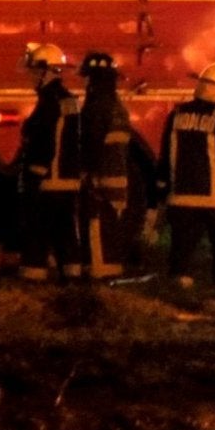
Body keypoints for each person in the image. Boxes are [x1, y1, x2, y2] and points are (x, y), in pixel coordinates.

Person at [158, 62, 215, 304]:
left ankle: (179, 291)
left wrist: (162, 189)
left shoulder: (176, 115)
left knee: (182, 248)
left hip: (182, 197)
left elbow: (165, 154)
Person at [16, 43, 85, 283]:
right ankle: (72, 279)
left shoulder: (49, 102)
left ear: (47, 72)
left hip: (48, 181)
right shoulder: (70, 100)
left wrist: (34, 176)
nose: (32, 76)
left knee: (38, 232)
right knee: (66, 233)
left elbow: (44, 142)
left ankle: (33, 280)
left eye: (36, 71)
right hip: (68, 180)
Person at [78, 50, 134, 282]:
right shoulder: (116, 106)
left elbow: (92, 141)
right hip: (118, 176)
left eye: (89, 77)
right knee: (111, 227)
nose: (86, 83)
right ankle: (112, 271)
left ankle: (99, 276)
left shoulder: (97, 106)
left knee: (96, 228)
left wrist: (85, 172)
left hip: (100, 178)